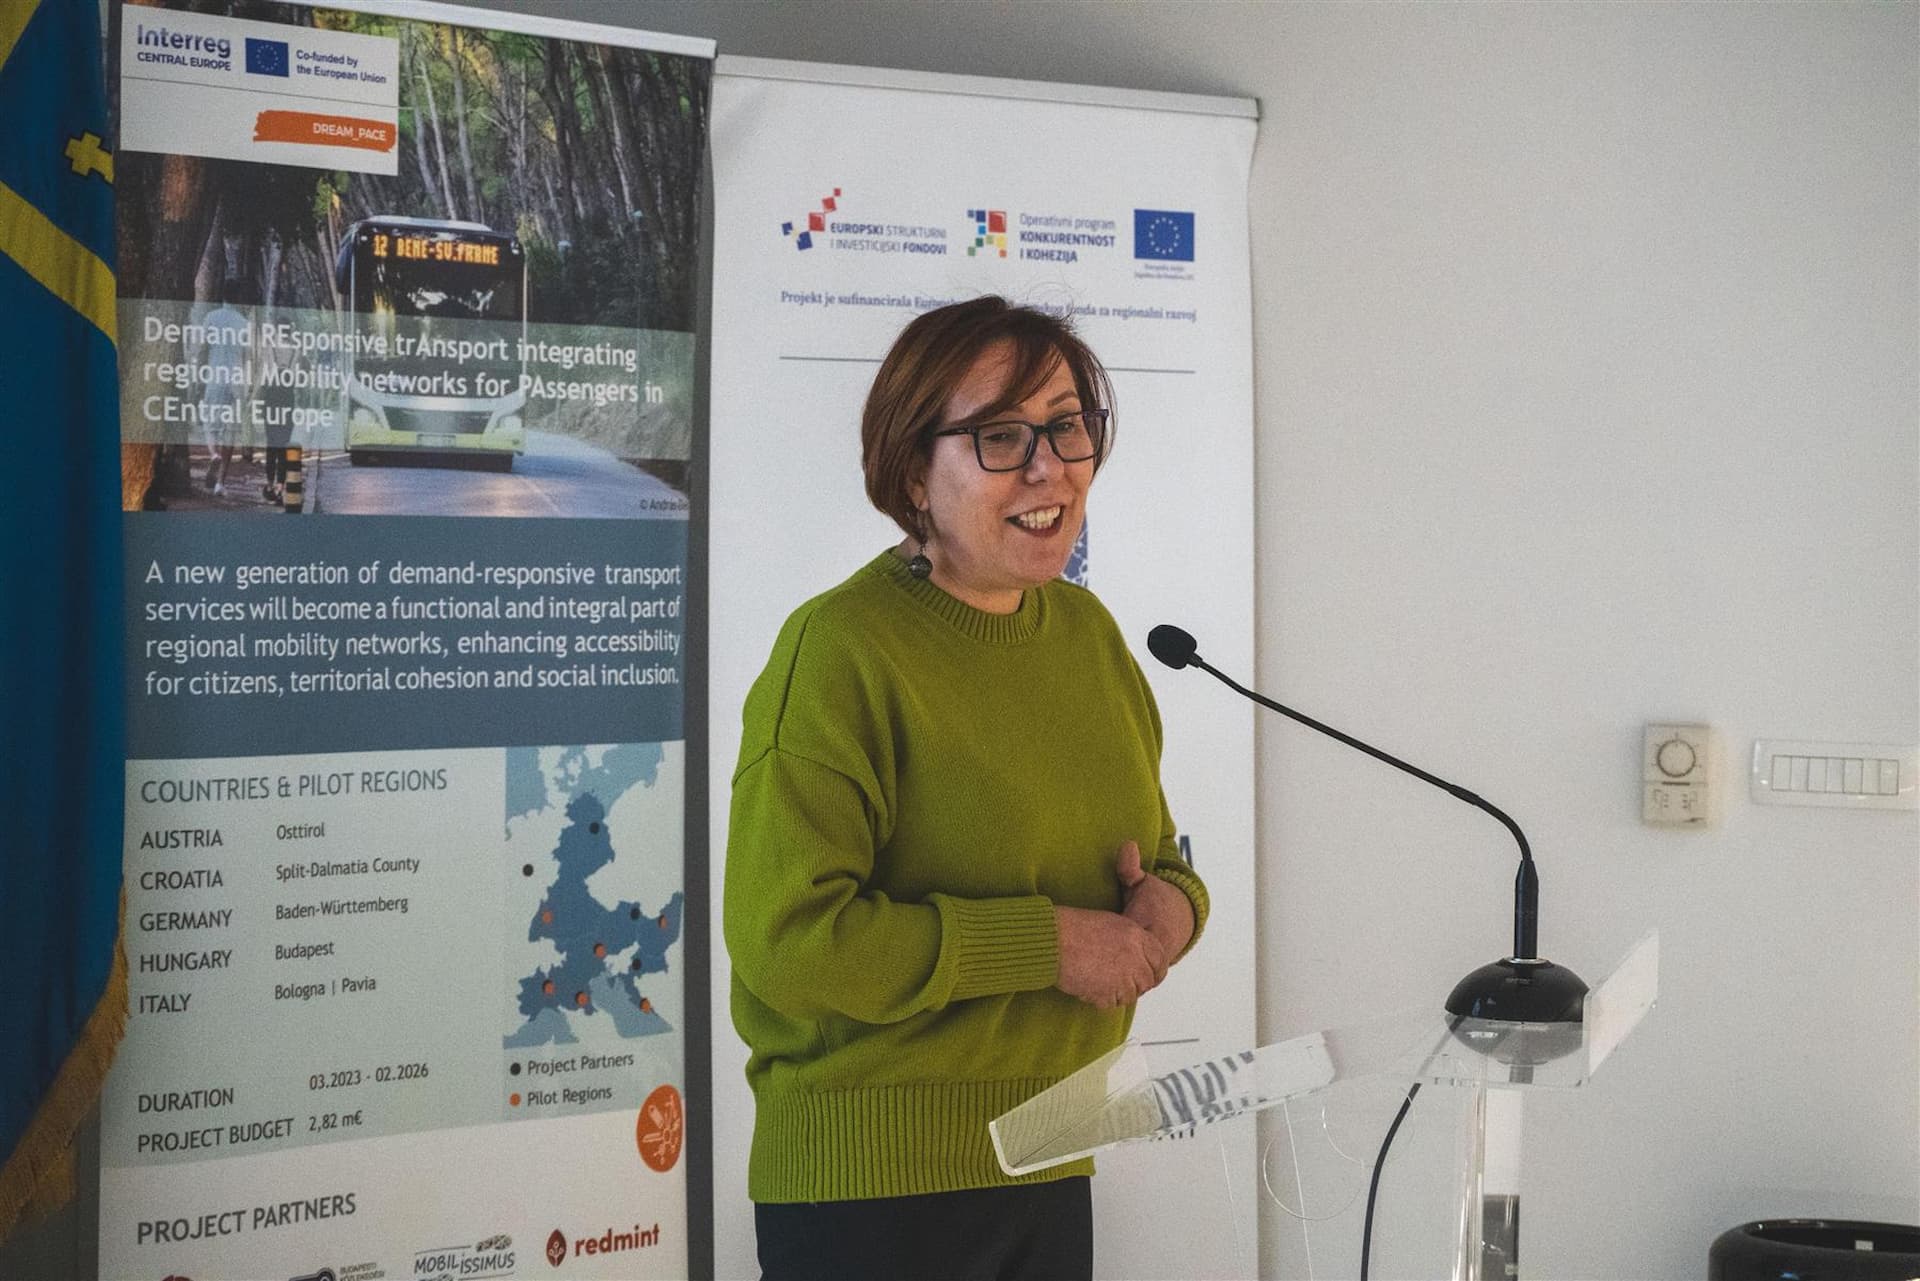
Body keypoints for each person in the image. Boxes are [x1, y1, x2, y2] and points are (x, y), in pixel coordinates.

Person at [724, 296, 1209, 1281]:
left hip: (1052, 1152)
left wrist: (1174, 908)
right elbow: (789, 941)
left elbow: (1156, 856)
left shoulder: (1089, 637)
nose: (1048, 467)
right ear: (914, 472)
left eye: (1066, 427)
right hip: (871, 1191)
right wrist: (1048, 945)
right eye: (1000, 436)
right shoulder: (841, 651)